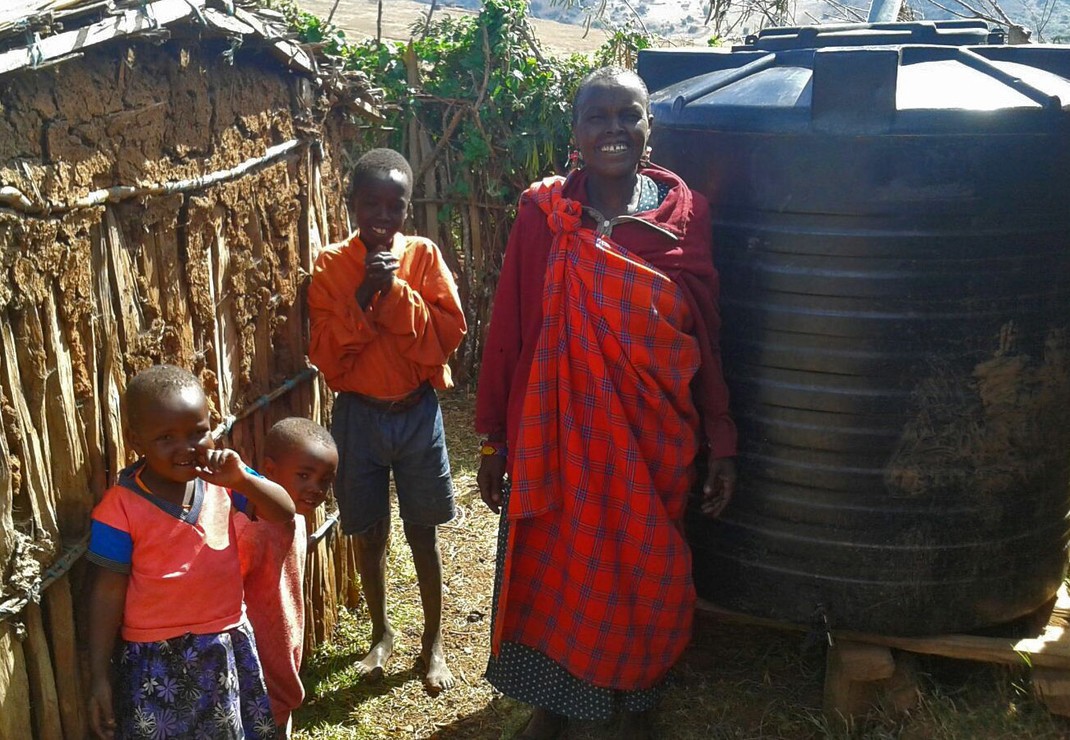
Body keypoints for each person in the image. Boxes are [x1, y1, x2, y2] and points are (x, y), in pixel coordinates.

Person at [475, 66, 738, 739]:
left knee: (647, 562)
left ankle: (637, 699)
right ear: (576, 130)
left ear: (650, 128)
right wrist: (495, 441)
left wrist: (721, 440)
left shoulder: (686, 218)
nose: (614, 129)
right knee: (558, 564)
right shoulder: (544, 216)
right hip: (556, 434)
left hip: (654, 438)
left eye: (630, 115)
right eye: (599, 115)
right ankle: (558, 703)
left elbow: (706, 336)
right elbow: (510, 332)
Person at [307, 147, 467, 693]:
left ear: (407, 209)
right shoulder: (331, 265)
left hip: (416, 412)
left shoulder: (422, 257)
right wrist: (361, 296)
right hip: (359, 417)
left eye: (393, 206)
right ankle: (381, 633)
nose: (381, 215)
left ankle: (433, 642)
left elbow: (447, 337)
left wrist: (395, 293)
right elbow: (327, 355)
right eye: (369, 203)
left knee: (424, 532)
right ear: (350, 204)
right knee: (369, 531)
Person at [85, 364, 296, 740]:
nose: (186, 448)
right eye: (166, 437)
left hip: (224, 647)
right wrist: (99, 676)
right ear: (136, 440)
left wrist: (243, 479)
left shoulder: (224, 482)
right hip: (155, 661)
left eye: (197, 432)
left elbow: (284, 512)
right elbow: (107, 592)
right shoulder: (118, 509)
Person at [235, 418, 339, 737]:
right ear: (269, 470)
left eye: (324, 480)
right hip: (253, 666)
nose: (316, 489)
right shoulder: (248, 532)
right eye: (304, 476)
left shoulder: (295, 518)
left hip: (281, 659)